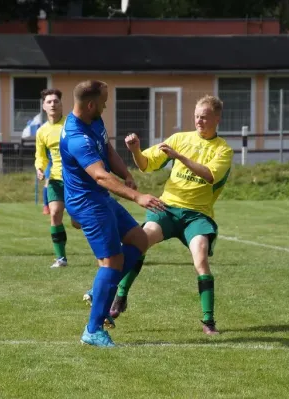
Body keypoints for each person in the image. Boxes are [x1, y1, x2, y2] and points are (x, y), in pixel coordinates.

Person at [108, 95, 233, 336]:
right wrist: (135, 149)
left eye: (205, 117)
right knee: (140, 241)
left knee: (201, 260)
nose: (199, 121)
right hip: (167, 208)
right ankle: (121, 296)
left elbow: (209, 175)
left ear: (217, 118)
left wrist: (180, 157)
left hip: (197, 215)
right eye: (197, 116)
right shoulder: (179, 139)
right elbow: (146, 164)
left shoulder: (223, 150)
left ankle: (208, 321)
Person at [60, 80, 164, 347]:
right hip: (88, 203)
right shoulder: (76, 137)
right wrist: (138, 197)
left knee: (140, 240)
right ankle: (92, 330)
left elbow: (106, 149)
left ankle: (100, 291)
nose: (107, 105)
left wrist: (126, 173)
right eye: (104, 101)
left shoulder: (94, 120)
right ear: (91, 104)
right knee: (112, 262)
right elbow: (99, 176)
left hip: (99, 199)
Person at [35, 89, 70, 268]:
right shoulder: (42, 132)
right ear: (44, 106)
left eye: (56, 101)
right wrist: (40, 168)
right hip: (55, 178)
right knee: (55, 213)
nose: (53, 104)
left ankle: (110, 247)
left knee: (80, 222)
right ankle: (61, 258)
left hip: (75, 179)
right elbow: (41, 156)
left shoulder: (71, 125)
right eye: (49, 102)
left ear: (61, 104)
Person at [22, 112, 52, 215]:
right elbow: (41, 152)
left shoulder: (62, 127)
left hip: (61, 163)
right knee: (48, 182)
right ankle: (46, 206)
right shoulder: (43, 130)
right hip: (49, 161)